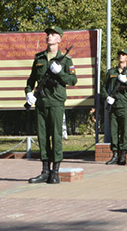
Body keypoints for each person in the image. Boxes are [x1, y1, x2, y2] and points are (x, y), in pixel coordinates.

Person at [25, 25, 77, 184]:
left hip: (56, 101)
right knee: (42, 137)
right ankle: (44, 171)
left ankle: (55, 172)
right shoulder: (39, 58)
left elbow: (73, 80)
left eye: (53, 34)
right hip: (41, 102)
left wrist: (60, 72)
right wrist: (28, 93)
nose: (49, 36)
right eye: (48, 34)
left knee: (56, 136)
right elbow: (31, 80)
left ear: (59, 39)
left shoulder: (66, 60)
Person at [103, 49, 127, 165]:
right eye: (120, 54)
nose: (121, 56)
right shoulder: (111, 72)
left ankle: (123, 154)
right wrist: (107, 97)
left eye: (124, 55)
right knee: (113, 131)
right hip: (114, 105)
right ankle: (114, 154)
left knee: (124, 131)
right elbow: (104, 87)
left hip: (125, 106)